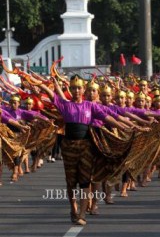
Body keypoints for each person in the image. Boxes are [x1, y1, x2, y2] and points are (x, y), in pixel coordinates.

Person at [36, 75, 130, 226]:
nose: (76, 90)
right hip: (68, 148)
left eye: (79, 88)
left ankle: (82, 214)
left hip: (86, 147)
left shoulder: (90, 106)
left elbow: (107, 118)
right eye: (73, 88)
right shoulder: (65, 105)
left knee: (85, 181)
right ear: (71, 89)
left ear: (83, 89)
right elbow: (50, 93)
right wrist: (40, 83)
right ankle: (73, 209)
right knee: (71, 182)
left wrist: (123, 126)